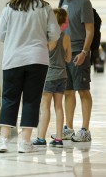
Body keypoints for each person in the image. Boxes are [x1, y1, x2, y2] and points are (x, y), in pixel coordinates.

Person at [0, 0, 61, 153]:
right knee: (31, 100)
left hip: (13, 60)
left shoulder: (8, 8)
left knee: (9, 99)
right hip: (37, 59)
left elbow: (1, 35)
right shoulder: (44, 8)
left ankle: (3, 140)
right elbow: (55, 34)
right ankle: (25, 142)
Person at [51, 0, 94, 142]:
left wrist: (84, 52)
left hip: (79, 52)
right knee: (67, 91)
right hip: (64, 52)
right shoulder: (63, 1)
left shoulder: (83, 2)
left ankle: (85, 130)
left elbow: (89, 30)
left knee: (82, 90)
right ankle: (68, 128)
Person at [33, 8, 71, 148]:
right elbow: (68, 59)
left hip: (48, 76)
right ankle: (59, 139)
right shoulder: (66, 37)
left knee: (45, 107)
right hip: (62, 75)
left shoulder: (48, 37)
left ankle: (41, 138)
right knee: (59, 107)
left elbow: (42, 55)